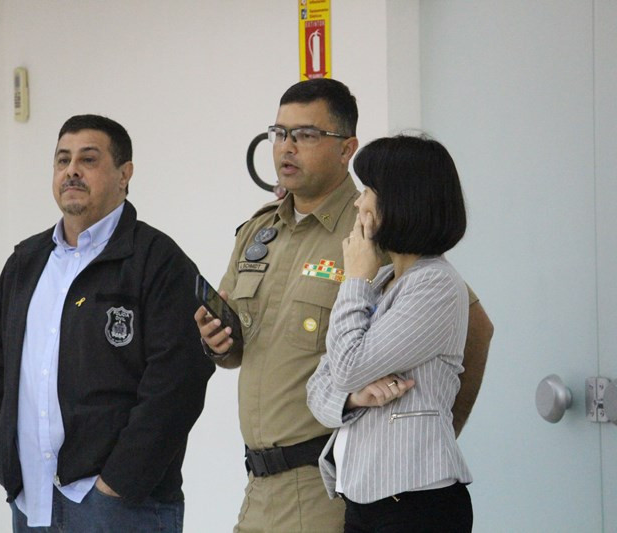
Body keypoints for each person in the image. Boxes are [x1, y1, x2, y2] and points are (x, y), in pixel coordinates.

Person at [194, 78, 493, 532]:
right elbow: (252, 349)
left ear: (346, 148)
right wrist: (219, 343)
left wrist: (425, 435)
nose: (287, 147)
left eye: (306, 134)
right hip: (260, 484)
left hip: (332, 483)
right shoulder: (259, 232)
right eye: (279, 133)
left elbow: (473, 328)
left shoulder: (375, 227)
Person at [0, 114, 214, 532]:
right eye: (62, 160)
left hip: (120, 507)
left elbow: (179, 381)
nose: (71, 170)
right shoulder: (25, 263)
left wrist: (117, 483)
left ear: (125, 174)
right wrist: (5, 456)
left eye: (88, 159)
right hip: (32, 501)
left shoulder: (157, 261)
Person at [307, 135, 474, 532]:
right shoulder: (382, 280)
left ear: (401, 201)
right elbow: (318, 386)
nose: (358, 203)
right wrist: (353, 397)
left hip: (415, 502)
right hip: (365, 501)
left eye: (368, 190)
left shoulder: (435, 284)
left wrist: (354, 277)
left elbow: (346, 367)